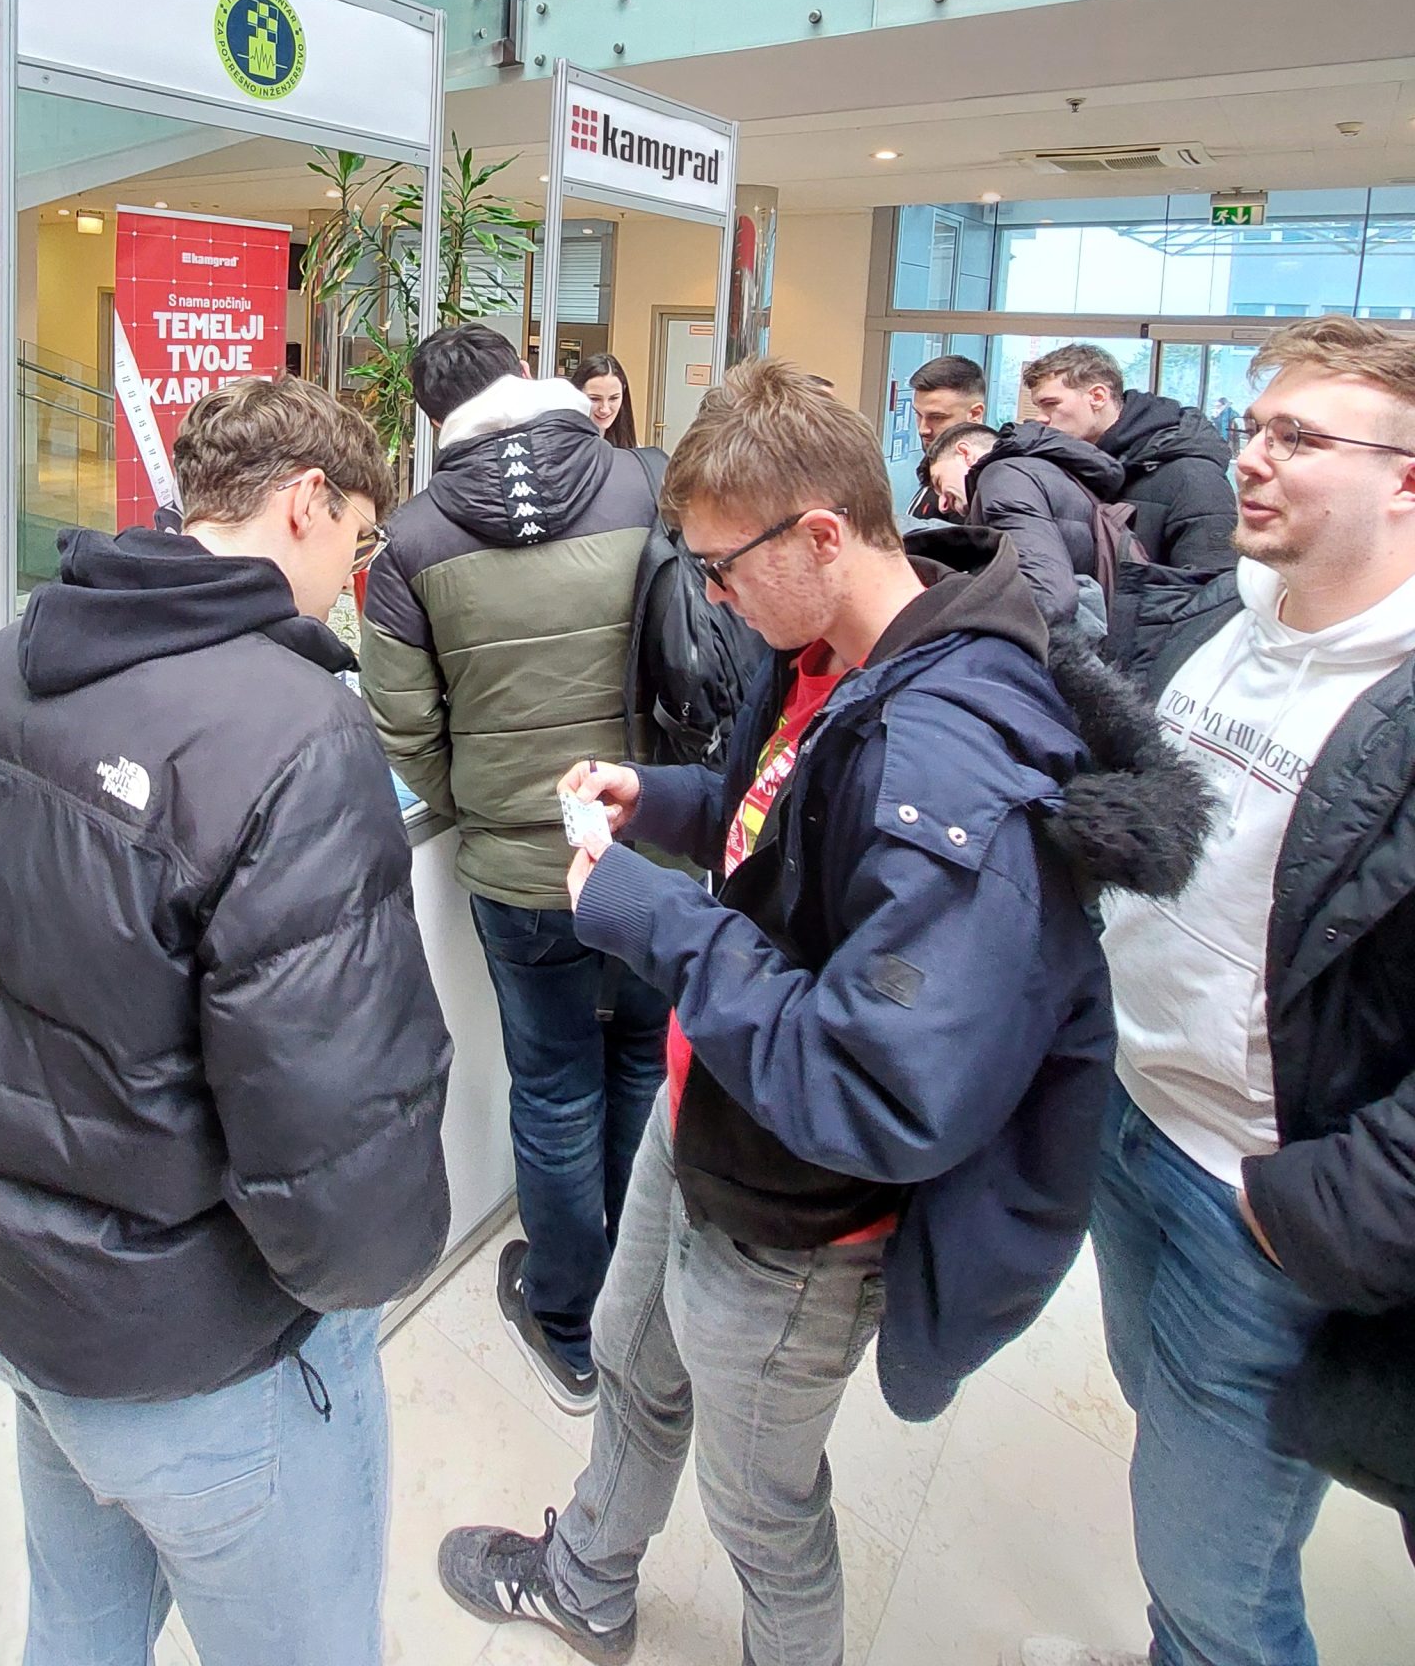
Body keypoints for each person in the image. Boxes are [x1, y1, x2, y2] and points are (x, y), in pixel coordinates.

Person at [436, 360, 1208, 1666]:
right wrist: (661, 801)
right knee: (630, 1358)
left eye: (722, 568)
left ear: (822, 535)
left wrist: (648, 914)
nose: (711, 597)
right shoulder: (835, 659)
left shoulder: (947, 754)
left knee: (761, 1504)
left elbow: (874, 1080)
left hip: (799, 1208)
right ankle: (588, 1579)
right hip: (711, 1099)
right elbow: (784, 825)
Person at [0, 375, 453, 1666]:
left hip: (19, 1299)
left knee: (78, 1631)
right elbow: (342, 1143)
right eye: (357, 540)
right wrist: (354, 1292)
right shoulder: (297, 736)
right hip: (204, 1353)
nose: (352, 581)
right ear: (306, 502)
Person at [1024, 316, 1415, 1666]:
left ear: (1406, 478)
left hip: (1259, 1192)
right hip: (1126, 1118)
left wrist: (1309, 1209)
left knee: (1214, 1582)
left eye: (1300, 437)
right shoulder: (1206, 626)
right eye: (1256, 428)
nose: (1252, 458)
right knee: (1160, 1420)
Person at [360, 323, 668, 1414]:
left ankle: (569, 1322)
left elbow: (403, 727)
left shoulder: (409, 539)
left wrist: (475, 807)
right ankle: (643, 1300)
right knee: (644, 1064)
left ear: (432, 418)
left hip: (519, 869)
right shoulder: (645, 482)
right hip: (652, 843)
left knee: (553, 1086)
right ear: (527, 375)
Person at [1024, 342, 1238, 572]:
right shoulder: (1070, 466)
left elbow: (1210, 583)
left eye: (1050, 404)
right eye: (1038, 407)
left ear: (1097, 396)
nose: (1041, 418)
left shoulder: (1193, 475)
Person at [923, 414, 1130, 627]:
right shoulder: (1039, 470)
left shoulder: (1002, 479)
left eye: (939, 483)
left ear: (965, 453)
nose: (942, 505)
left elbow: (1046, 597)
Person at [905, 352, 988, 519]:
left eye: (937, 417)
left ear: (975, 414)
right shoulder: (932, 468)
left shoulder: (987, 490)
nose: (923, 429)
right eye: (918, 415)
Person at [578, 351, 639, 450]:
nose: (604, 409)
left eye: (613, 398)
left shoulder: (631, 446)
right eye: (594, 399)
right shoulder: (559, 444)